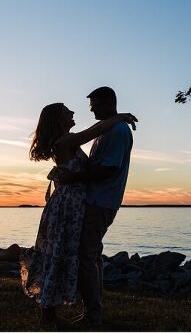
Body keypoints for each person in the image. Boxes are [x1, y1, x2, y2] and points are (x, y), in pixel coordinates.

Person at [20, 102, 137, 327]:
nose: (73, 112)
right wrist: (119, 116)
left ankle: (50, 315)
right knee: (56, 255)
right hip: (67, 206)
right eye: (67, 112)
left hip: (71, 204)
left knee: (60, 254)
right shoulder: (65, 141)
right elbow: (94, 131)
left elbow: (93, 132)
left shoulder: (67, 140)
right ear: (58, 119)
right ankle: (48, 315)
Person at [55, 86, 134, 328]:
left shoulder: (117, 130)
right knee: (90, 255)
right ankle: (92, 311)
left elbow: (107, 169)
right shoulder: (106, 129)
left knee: (87, 256)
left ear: (110, 103)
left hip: (100, 201)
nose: (92, 111)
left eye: (96, 106)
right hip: (93, 200)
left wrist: (73, 177)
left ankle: (92, 315)